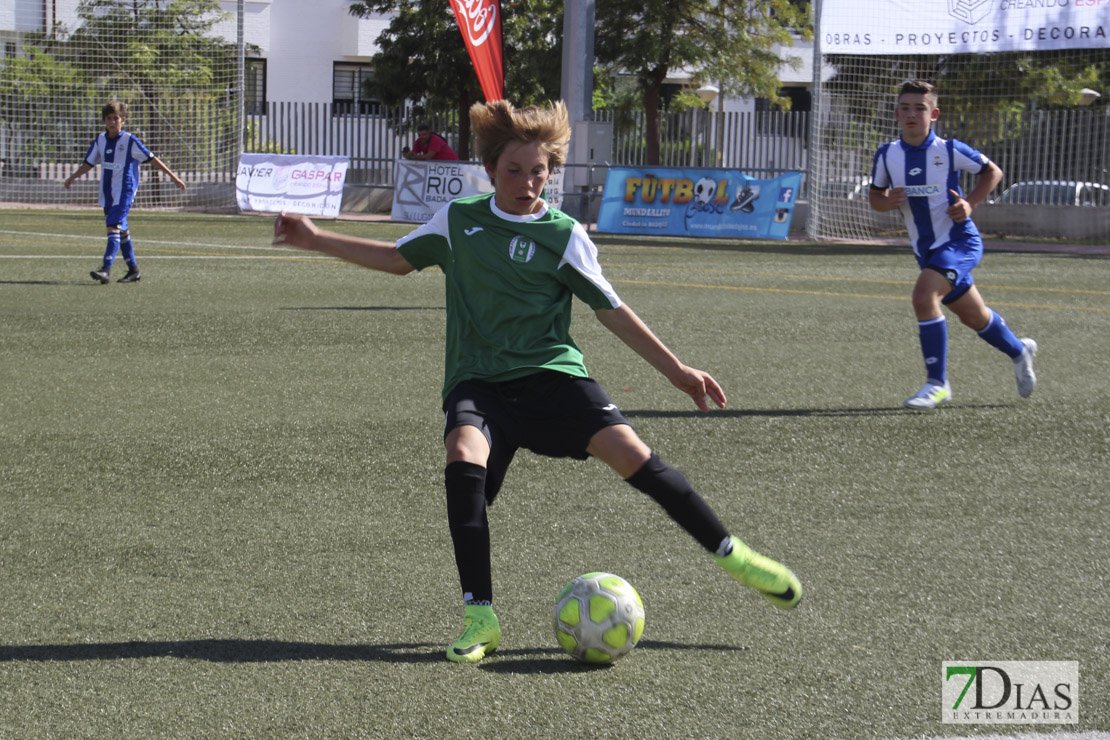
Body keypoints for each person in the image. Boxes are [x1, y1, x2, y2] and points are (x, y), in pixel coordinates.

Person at [273, 99, 802, 664]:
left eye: (539, 171)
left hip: (552, 377)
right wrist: (316, 238)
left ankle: (733, 554)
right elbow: (399, 259)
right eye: (514, 171)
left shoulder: (564, 233)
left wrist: (678, 372)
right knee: (462, 455)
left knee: (633, 454)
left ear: (552, 170)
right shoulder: (459, 221)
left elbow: (612, 308)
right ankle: (481, 616)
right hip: (480, 383)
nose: (528, 183)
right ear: (490, 171)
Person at [868, 80, 1037, 409]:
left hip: (960, 241)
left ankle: (937, 383)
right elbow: (875, 196)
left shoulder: (948, 150)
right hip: (927, 251)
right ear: (896, 114)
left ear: (934, 114)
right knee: (975, 317)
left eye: (920, 108)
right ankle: (1020, 351)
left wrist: (970, 203)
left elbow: (993, 172)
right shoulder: (887, 155)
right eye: (905, 108)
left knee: (923, 296)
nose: (912, 114)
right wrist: (885, 203)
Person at [64, 100, 186, 284]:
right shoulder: (101, 140)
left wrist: (173, 177)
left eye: (116, 118)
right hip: (108, 193)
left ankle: (106, 269)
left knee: (112, 227)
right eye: (109, 119)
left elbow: (152, 158)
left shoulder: (130, 141)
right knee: (122, 231)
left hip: (125, 192)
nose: (112, 122)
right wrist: (73, 177)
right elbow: (89, 163)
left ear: (123, 120)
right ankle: (133, 270)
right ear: (104, 121)